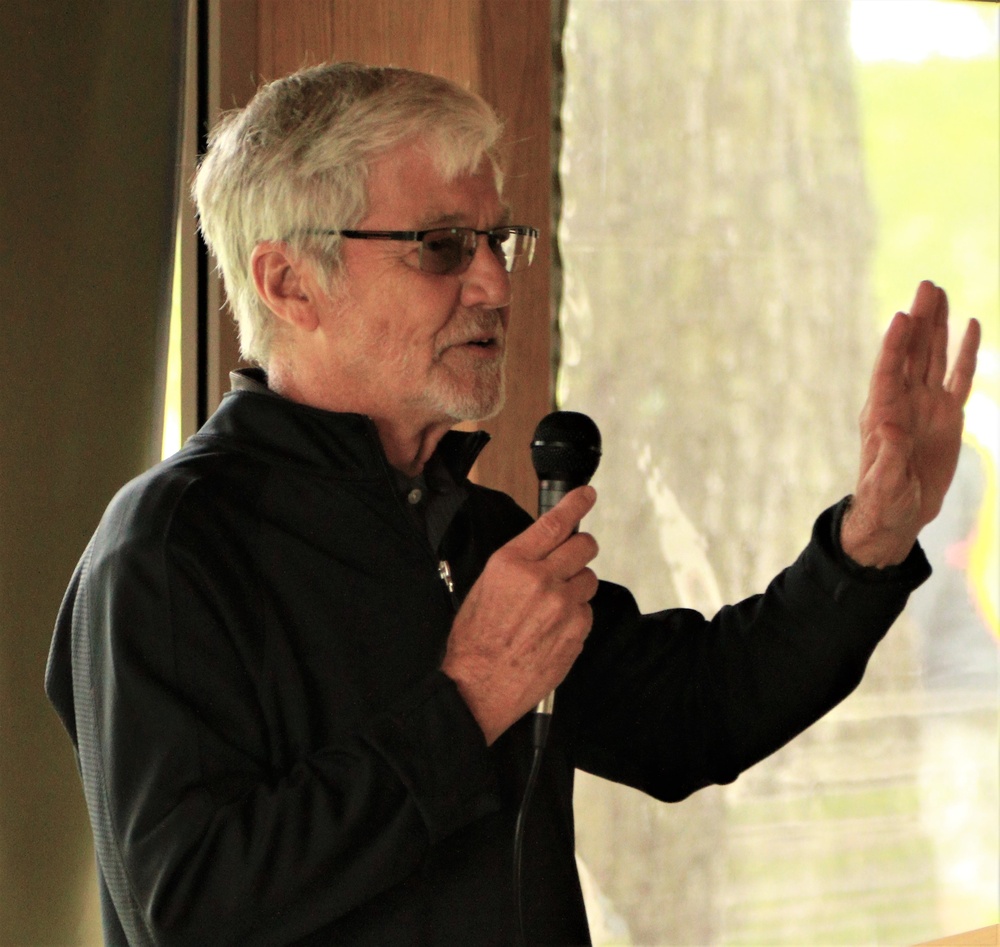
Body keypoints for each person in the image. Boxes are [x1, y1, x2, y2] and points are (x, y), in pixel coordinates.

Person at [45, 62, 980, 947]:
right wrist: (464, 703)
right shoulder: (170, 546)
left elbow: (697, 713)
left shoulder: (474, 529)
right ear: (290, 282)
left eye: (499, 240)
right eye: (443, 246)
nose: (493, 283)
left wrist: (871, 541)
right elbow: (190, 905)